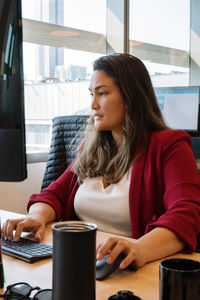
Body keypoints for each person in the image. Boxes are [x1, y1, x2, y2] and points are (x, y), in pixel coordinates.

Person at [2, 53, 200, 269]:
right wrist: (37, 216)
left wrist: (139, 248)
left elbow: (186, 213)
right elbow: (53, 194)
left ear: (131, 96)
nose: (93, 105)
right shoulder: (92, 147)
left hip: (131, 267)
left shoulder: (169, 145)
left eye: (102, 93)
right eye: (91, 95)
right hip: (83, 261)